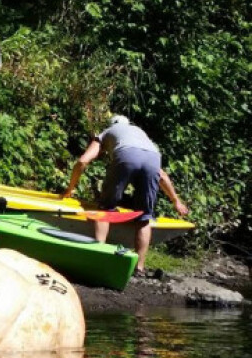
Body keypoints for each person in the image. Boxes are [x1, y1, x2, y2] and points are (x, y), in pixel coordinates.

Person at [62, 114, 190, 274]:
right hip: (153, 158)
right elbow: (162, 176)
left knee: (105, 209)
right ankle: (139, 267)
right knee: (144, 217)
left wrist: (70, 188)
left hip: (126, 155)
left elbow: (82, 161)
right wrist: (176, 201)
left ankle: (97, 255)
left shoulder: (107, 133)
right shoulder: (140, 134)